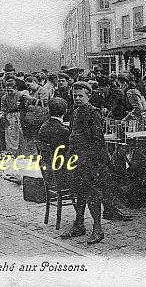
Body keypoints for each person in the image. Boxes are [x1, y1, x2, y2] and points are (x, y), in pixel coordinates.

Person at [60, 81, 105, 244]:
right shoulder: (76, 112)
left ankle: (97, 229)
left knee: (93, 194)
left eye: (80, 96)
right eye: (75, 96)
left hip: (90, 160)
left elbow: (98, 140)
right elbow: (73, 133)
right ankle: (79, 225)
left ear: (89, 96)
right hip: (76, 159)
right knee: (78, 192)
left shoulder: (94, 113)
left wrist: (97, 162)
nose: (77, 98)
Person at [0, 79, 24, 155]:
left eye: (11, 90)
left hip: (18, 116)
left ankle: (20, 153)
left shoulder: (19, 95)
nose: (9, 92)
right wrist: (3, 116)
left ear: (15, 89)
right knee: (10, 136)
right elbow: (3, 108)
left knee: (19, 135)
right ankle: (11, 153)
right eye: (8, 90)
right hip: (9, 117)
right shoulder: (4, 97)